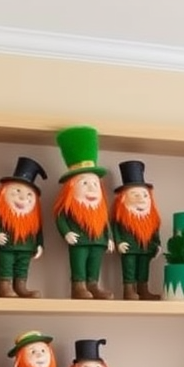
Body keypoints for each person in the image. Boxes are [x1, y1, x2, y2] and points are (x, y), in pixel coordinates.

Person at [54, 125, 115, 300]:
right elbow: (60, 218)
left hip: (98, 241)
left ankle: (93, 285)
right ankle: (78, 286)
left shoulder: (100, 208)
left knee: (95, 264)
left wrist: (109, 238)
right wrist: (66, 232)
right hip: (79, 240)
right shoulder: (69, 207)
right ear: (71, 188)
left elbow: (105, 222)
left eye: (95, 184)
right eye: (85, 183)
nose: (91, 188)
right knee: (79, 263)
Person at [0, 156, 47, 297]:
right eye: (18, 191)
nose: (23, 198)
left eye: (29, 194)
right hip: (6, 245)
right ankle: (4, 288)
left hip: (26, 247)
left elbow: (38, 230)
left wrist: (39, 245)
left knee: (22, 268)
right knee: (5, 266)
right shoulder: (0, 212)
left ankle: (20, 287)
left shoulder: (33, 217)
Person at [112, 159, 161, 300]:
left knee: (144, 270)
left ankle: (143, 289)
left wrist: (157, 244)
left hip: (146, 248)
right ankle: (128, 290)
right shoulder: (121, 217)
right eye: (136, 195)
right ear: (123, 198)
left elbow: (155, 231)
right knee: (129, 268)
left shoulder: (152, 218)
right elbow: (115, 229)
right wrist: (119, 242)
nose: (142, 199)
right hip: (129, 247)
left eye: (145, 195)